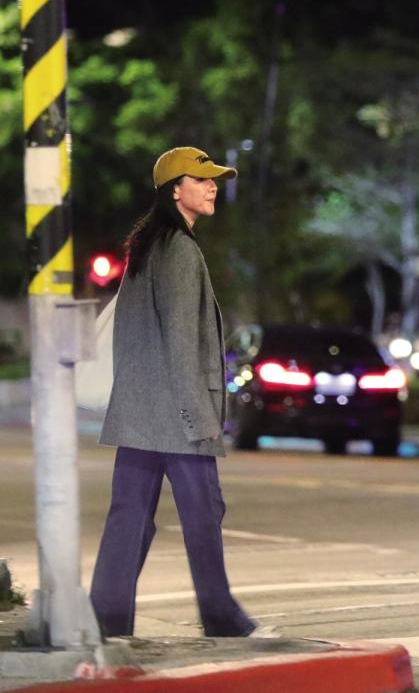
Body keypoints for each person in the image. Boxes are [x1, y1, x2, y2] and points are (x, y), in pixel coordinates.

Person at [91, 146, 258, 638]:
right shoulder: (181, 252)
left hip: (140, 412)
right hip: (179, 417)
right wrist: (200, 419)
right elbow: (183, 343)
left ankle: (106, 616)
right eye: (201, 180)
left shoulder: (148, 248)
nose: (212, 187)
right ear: (175, 190)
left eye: (213, 181)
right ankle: (220, 614)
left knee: (129, 517)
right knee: (204, 515)